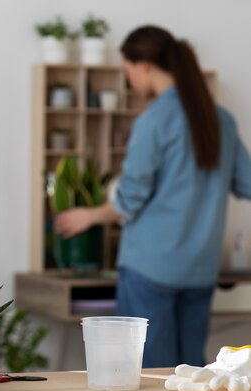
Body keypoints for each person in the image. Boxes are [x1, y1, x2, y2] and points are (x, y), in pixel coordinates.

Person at [54, 25, 251, 368]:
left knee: (147, 374)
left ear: (144, 64)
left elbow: (129, 199)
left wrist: (88, 215)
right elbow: (246, 184)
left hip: (151, 269)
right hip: (200, 269)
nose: (128, 79)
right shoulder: (221, 120)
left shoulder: (155, 121)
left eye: (127, 69)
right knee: (191, 375)